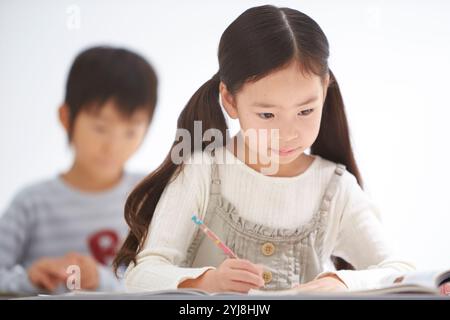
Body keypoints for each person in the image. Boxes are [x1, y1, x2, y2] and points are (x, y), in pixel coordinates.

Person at [114, 5, 414, 293]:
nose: (287, 134)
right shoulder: (202, 172)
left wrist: (342, 284)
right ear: (230, 101)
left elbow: (401, 272)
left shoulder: (335, 187)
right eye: (267, 115)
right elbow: (141, 275)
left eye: (306, 111)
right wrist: (206, 281)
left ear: (324, 89)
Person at [0, 46, 158, 295]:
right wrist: (29, 281)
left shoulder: (149, 198)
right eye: (100, 128)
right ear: (66, 117)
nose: (113, 146)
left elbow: (163, 280)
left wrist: (101, 281)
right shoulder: (31, 203)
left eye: (130, 131)